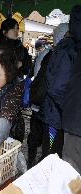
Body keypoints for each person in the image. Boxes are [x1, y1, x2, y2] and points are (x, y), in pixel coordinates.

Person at [39, 5, 81, 159]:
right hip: (56, 117)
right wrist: (72, 108)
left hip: (63, 116)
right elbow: (57, 87)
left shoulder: (72, 47)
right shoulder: (67, 49)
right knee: (50, 158)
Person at [27, 23, 69, 168]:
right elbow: (55, 87)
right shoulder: (59, 55)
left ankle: (31, 161)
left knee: (39, 140)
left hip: (41, 108)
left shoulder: (49, 54)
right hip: (50, 111)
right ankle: (36, 168)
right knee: (50, 150)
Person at [62, 5, 81, 173]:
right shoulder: (67, 50)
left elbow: (58, 87)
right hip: (57, 116)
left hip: (68, 118)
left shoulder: (67, 49)